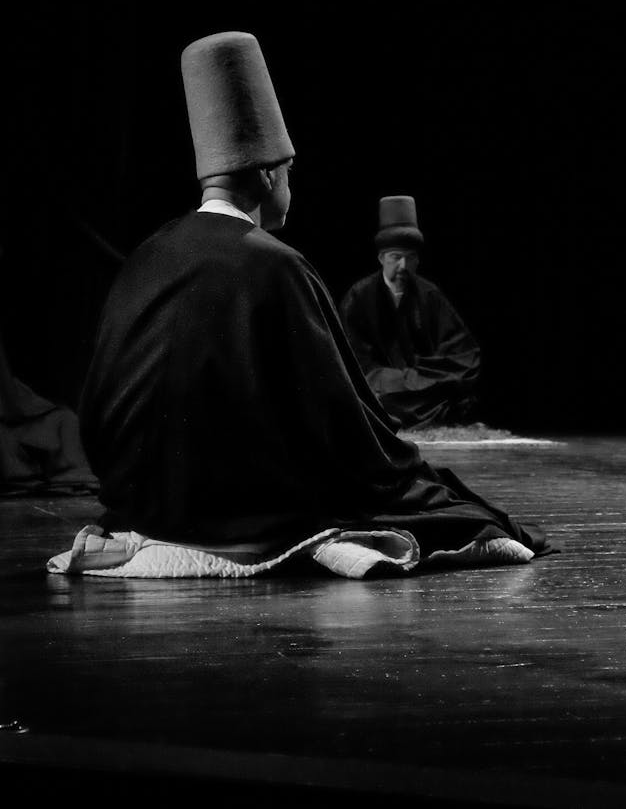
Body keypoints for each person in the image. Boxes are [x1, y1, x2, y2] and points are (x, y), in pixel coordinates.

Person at [78, 31, 548, 567]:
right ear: (267, 173)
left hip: (141, 496)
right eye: (290, 173)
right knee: (451, 506)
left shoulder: (145, 256)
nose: (291, 187)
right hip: (227, 505)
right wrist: (413, 473)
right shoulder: (275, 264)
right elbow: (343, 426)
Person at [339, 197, 481, 430]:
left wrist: (415, 376)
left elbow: (465, 353)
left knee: (453, 391)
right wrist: (393, 379)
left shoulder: (429, 295)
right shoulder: (359, 295)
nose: (403, 266)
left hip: (421, 384)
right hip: (381, 386)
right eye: (395, 257)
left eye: (409, 258)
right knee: (368, 396)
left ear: (417, 261)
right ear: (381, 258)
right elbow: (351, 356)